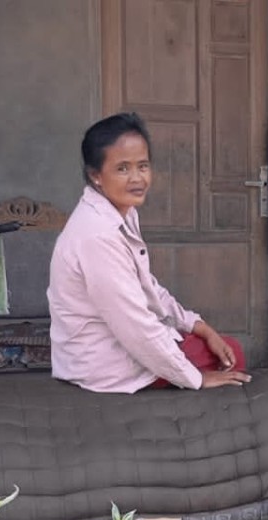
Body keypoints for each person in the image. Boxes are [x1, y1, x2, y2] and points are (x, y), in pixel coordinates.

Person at [48, 112, 251, 393]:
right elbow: (136, 326)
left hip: (118, 346)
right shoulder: (96, 234)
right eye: (122, 169)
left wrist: (200, 327)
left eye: (142, 166)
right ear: (96, 175)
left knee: (223, 348)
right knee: (233, 356)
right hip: (103, 364)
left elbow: (147, 289)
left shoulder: (120, 214)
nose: (137, 178)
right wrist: (195, 378)